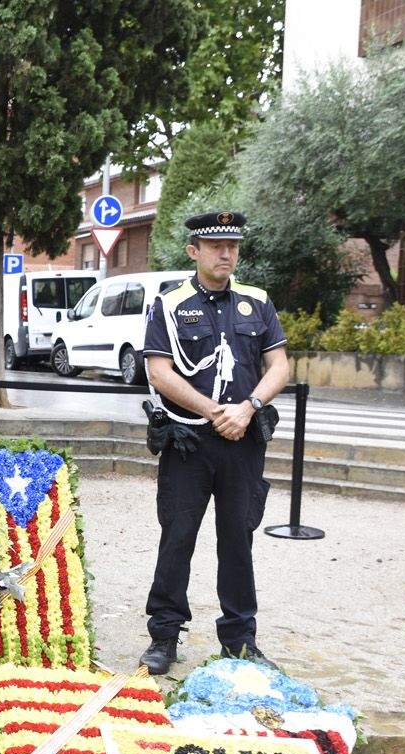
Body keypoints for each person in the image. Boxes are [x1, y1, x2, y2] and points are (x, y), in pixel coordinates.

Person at [137, 210, 289, 675]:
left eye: (234, 246)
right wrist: (213, 411)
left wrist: (248, 408)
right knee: (177, 537)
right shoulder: (169, 303)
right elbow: (158, 371)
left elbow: (280, 366)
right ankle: (164, 635)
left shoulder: (258, 302)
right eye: (216, 246)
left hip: (243, 440)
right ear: (194, 251)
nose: (227, 254)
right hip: (188, 441)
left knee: (238, 539)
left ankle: (239, 640)